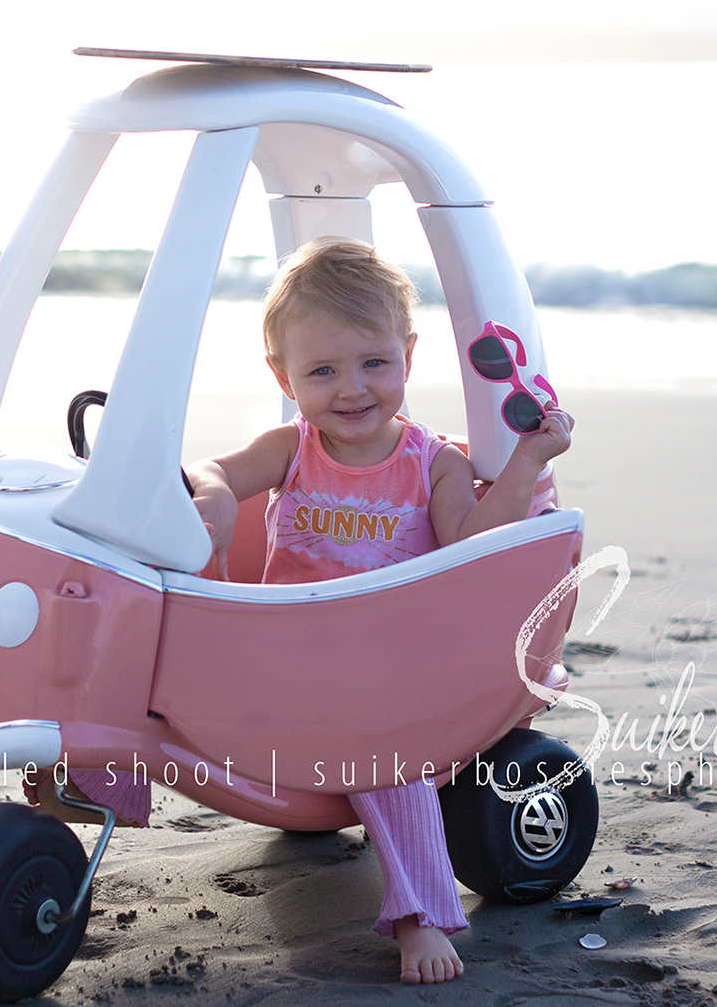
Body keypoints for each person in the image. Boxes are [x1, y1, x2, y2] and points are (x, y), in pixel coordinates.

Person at [185, 237, 573, 985]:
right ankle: (88, 787)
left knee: (388, 756)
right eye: (322, 371)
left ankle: (419, 915)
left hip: (387, 676)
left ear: (408, 356)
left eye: (373, 363)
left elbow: (473, 541)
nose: (352, 389)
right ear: (283, 376)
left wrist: (526, 461)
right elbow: (212, 469)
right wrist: (215, 494)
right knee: (155, 635)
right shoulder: (291, 448)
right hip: (287, 661)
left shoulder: (433, 462)